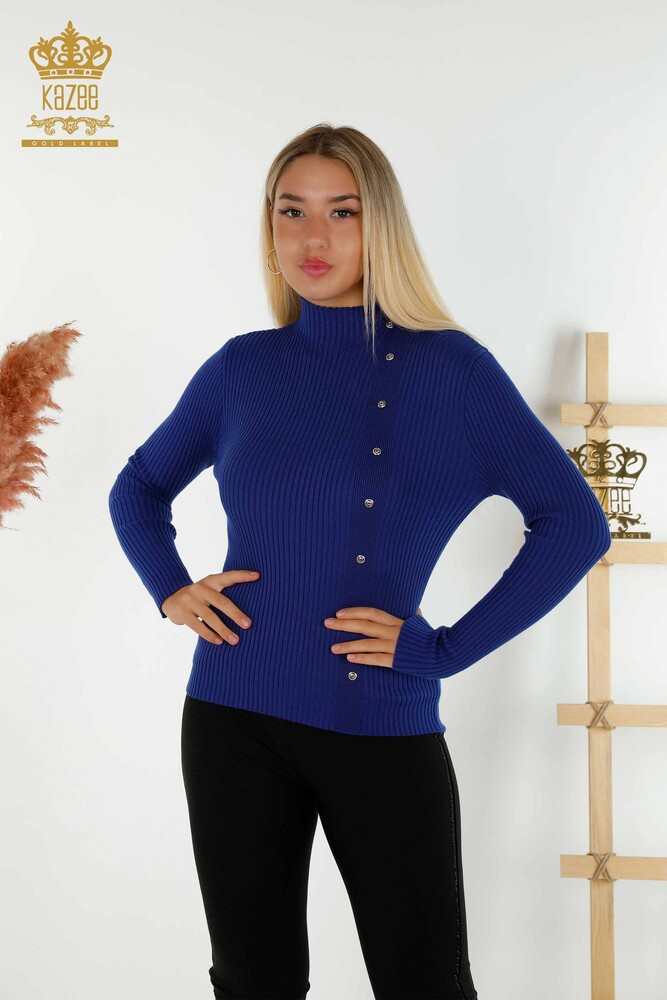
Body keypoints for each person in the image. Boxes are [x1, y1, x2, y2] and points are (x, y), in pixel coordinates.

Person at [108, 122, 612, 1000]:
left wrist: (441, 650)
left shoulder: (451, 369)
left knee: (425, 985)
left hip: (380, 724)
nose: (314, 237)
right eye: (291, 211)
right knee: (252, 983)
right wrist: (171, 589)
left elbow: (574, 523)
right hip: (230, 718)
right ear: (268, 226)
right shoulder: (242, 368)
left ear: (381, 225)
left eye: (341, 212)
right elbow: (139, 487)